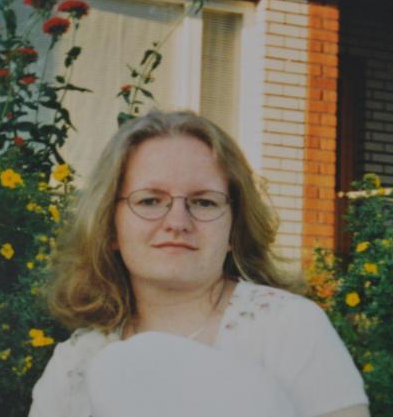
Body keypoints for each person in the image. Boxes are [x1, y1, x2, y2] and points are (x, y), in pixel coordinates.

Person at [29, 110, 370, 417]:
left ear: (234, 229)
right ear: (109, 227)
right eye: (150, 200)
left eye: (204, 202)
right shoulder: (74, 365)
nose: (177, 221)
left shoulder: (288, 328)